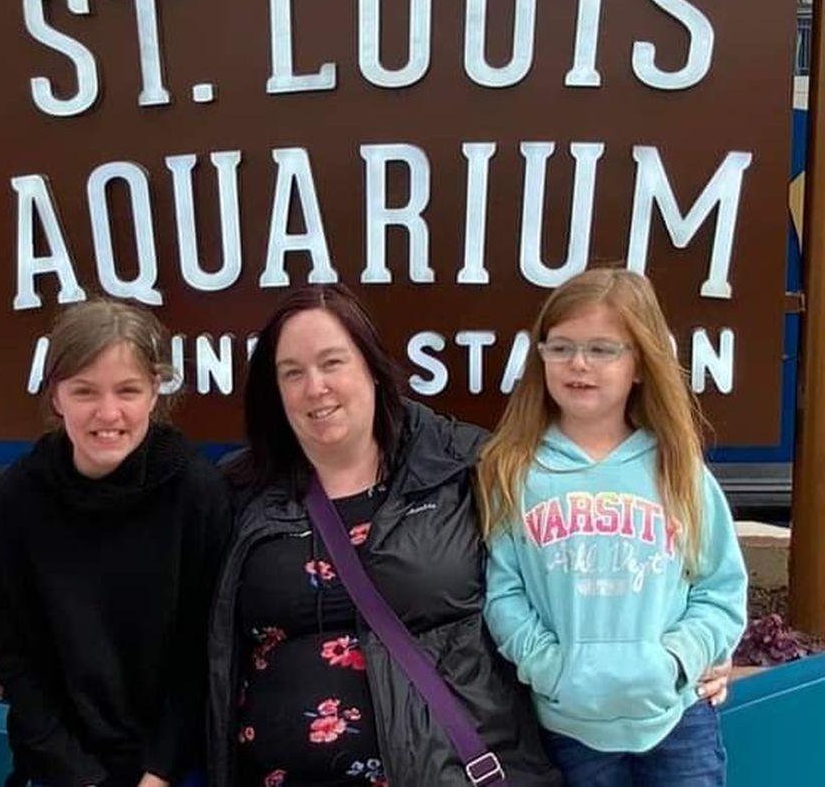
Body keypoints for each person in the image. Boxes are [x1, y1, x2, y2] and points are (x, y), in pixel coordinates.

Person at [208, 283, 561, 787]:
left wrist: (671, 655)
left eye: (332, 363)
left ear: (372, 368)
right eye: (292, 373)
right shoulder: (238, 492)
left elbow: (569, 567)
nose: (315, 387)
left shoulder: (464, 468)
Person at [478, 267, 748, 786]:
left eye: (602, 349)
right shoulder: (515, 470)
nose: (579, 363)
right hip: (569, 724)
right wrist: (552, 670)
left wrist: (679, 660)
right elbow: (503, 593)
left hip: (677, 718)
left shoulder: (678, 468)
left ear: (640, 364)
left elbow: (719, 586)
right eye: (561, 347)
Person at [0, 298, 232, 787]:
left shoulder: (199, 496)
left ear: (154, 392)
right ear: (56, 396)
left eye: (128, 390)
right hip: (60, 765)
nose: (108, 412)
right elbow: (19, 661)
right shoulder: (14, 504)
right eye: (85, 391)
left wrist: (160, 772)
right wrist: (78, 777)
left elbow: (205, 653)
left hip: (175, 764)